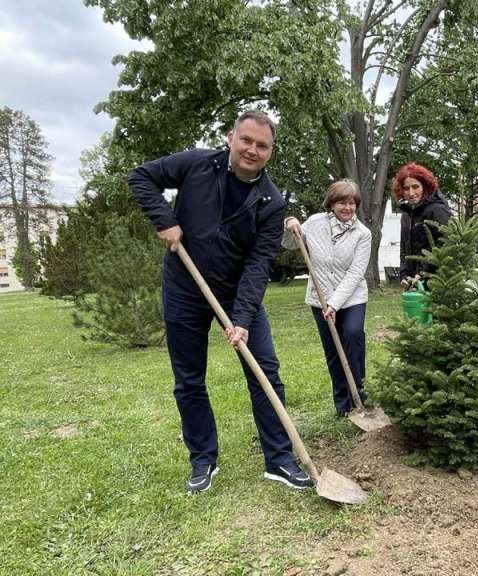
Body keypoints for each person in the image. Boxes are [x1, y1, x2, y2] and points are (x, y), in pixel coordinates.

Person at [128, 110, 313, 493]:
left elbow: (260, 262)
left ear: (270, 152)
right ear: (231, 138)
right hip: (184, 286)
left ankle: (279, 459)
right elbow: (141, 176)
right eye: (246, 140)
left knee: (265, 371)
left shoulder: (271, 201)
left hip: (234, 291)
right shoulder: (196, 163)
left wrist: (242, 316)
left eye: (262, 145)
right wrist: (165, 219)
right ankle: (202, 460)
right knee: (189, 380)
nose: (252, 150)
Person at [283, 180, 371, 418]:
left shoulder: (363, 234)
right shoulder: (314, 223)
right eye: (342, 202)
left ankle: (359, 397)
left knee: (353, 336)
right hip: (319, 298)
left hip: (351, 297)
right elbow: (291, 244)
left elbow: (355, 274)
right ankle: (342, 406)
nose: (347, 207)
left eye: (352, 203)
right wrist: (290, 223)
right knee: (332, 350)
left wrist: (334, 303)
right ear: (331, 203)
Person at [391, 162, 452, 289]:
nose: (411, 193)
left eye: (415, 187)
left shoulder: (437, 210)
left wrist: (424, 272)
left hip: (438, 280)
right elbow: (404, 248)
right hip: (415, 282)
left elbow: (445, 244)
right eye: (406, 188)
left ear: (425, 186)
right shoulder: (406, 214)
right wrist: (404, 275)